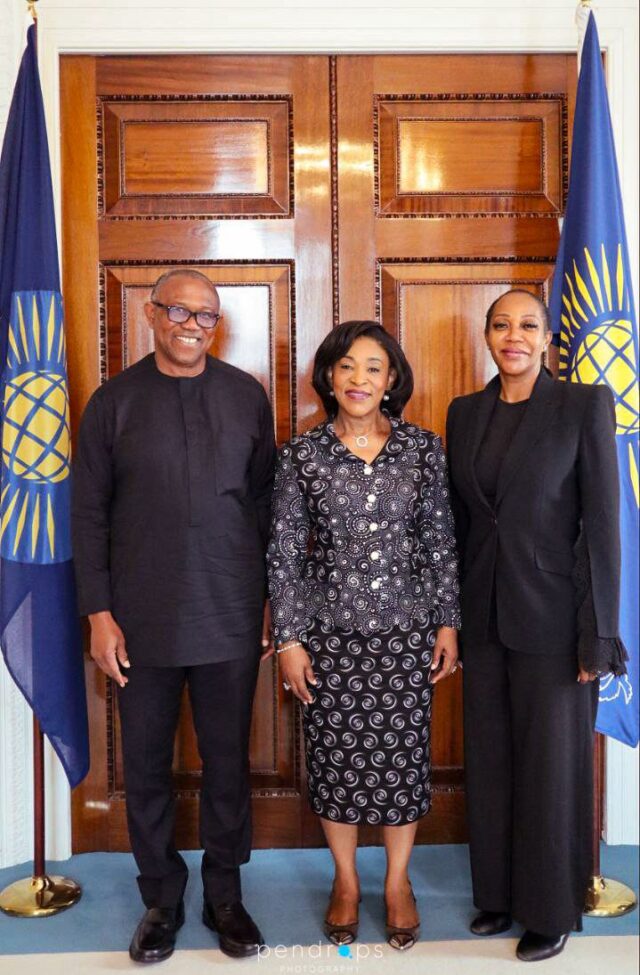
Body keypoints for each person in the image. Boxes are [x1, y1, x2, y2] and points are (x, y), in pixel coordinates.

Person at [72, 269, 276, 963]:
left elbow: (264, 506)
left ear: (216, 326)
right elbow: (88, 513)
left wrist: (270, 600)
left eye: (206, 316)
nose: (192, 325)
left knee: (227, 762)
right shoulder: (113, 402)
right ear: (152, 314)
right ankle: (161, 895)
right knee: (148, 766)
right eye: (179, 312)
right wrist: (98, 613)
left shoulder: (247, 397)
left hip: (230, 614)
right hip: (139, 621)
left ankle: (226, 892)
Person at [446, 289, 627, 963]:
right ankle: (495, 894)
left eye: (527, 324)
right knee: (491, 762)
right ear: (486, 336)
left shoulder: (582, 404)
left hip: (558, 622)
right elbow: (462, 528)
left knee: (551, 769)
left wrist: (599, 631)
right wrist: (452, 620)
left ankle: (550, 909)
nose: (512, 335)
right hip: (483, 618)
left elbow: (603, 528)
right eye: (501, 324)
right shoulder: (466, 413)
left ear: (547, 337)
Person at [267, 321, 460, 951]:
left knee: (402, 765)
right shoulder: (302, 455)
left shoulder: (423, 449)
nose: (359, 379)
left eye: (373, 368)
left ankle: (397, 883)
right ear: (327, 376)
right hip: (331, 637)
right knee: (337, 764)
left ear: (392, 379)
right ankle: (346, 881)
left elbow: (439, 543)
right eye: (346, 366)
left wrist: (447, 622)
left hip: (406, 635)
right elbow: (286, 553)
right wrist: (290, 639)